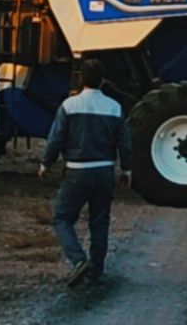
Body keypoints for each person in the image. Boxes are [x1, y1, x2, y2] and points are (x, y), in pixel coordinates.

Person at [38, 59, 130, 287]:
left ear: (80, 79)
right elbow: (125, 143)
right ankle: (95, 272)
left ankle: (78, 259)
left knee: (62, 218)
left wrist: (45, 163)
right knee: (99, 222)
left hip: (77, 171)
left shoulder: (69, 105)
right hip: (104, 171)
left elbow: (56, 138)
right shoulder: (114, 107)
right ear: (102, 81)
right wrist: (127, 169)